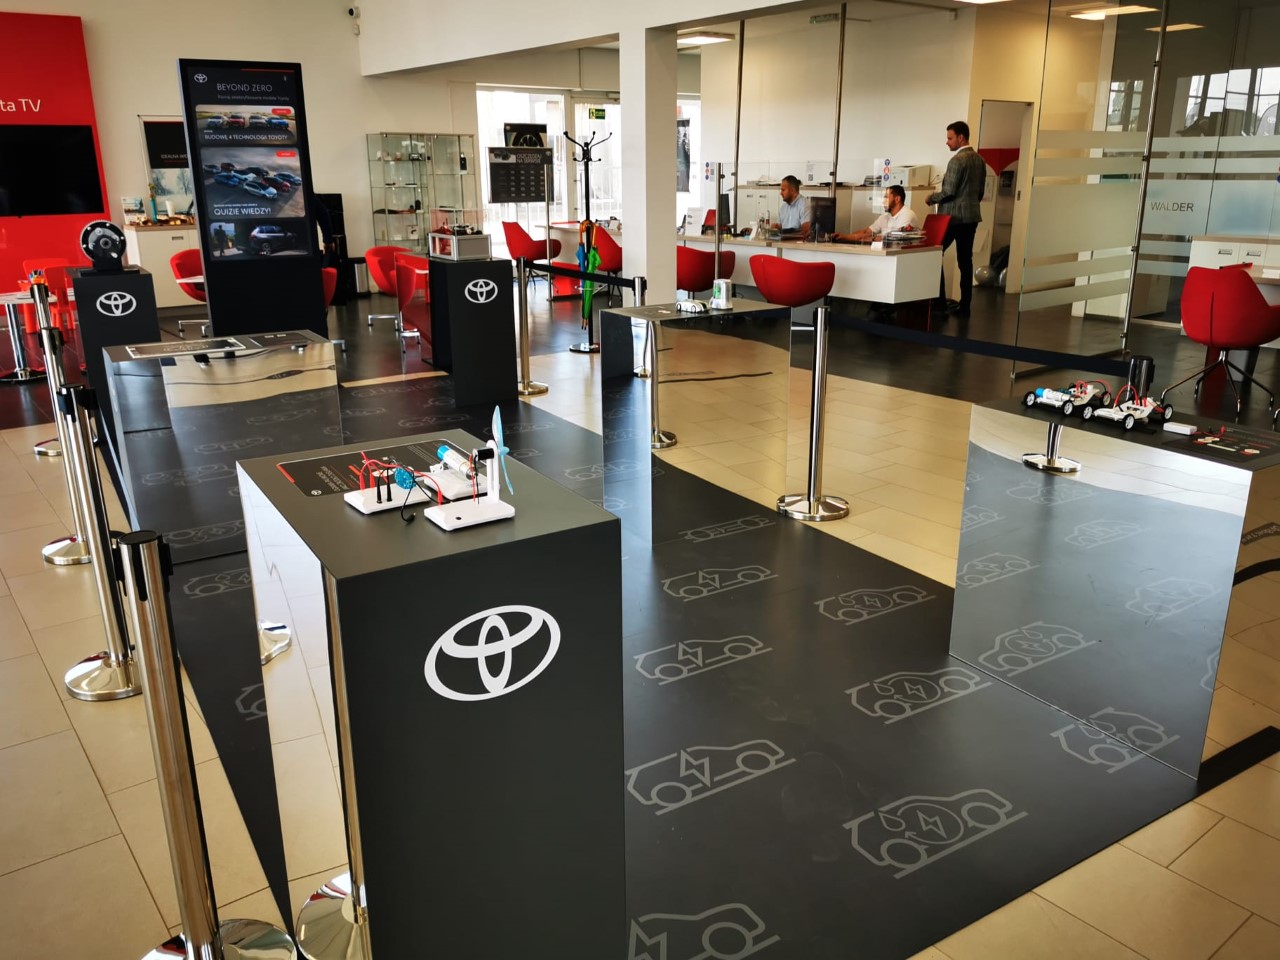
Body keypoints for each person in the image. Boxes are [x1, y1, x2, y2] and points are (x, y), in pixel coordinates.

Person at [927, 120, 986, 319]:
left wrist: (931, 197)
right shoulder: (980, 160)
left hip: (952, 219)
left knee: (934, 254)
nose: (947, 142)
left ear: (961, 138)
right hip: (971, 217)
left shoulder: (956, 161)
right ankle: (965, 306)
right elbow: (980, 192)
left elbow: (949, 192)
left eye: (950, 138)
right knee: (965, 261)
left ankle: (939, 303)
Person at [834, 185, 918, 242]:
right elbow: (866, 232)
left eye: (886, 198)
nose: (883, 202)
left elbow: (895, 239)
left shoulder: (907, 214)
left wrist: (873, 238)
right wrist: (844, 237)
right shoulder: (885, 217)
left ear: (897, 199)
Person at [777, 175, 811, 240]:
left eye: (783, 190)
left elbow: (805, 232)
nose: (781, 193)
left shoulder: (805, 205)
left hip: (799, 245)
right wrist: (776, 228)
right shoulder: (783, 208)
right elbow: (779, 230)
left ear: (792, 190)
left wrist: (785, 234)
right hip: (784, 244)